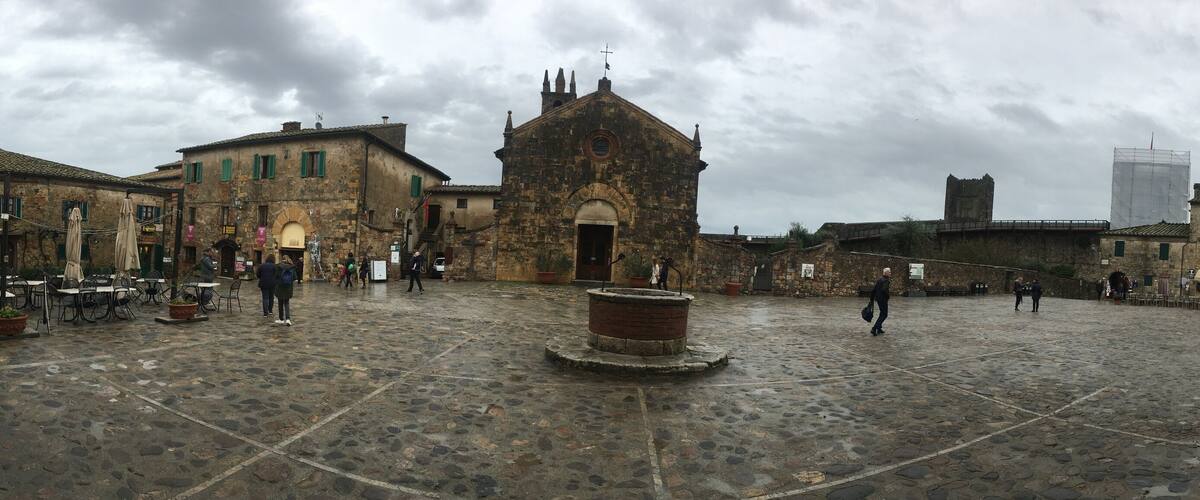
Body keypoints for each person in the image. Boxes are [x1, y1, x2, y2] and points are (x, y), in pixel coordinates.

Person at [869, 267, 891, 336]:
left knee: (882, 313)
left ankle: (879, 328)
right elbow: (884, 290)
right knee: (884, 314)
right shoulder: (886, 280)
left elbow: (874, 289)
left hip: (878, 299)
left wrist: (872, 298)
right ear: (886, 273)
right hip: (883, 300)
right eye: (889, 272)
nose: (890, 273)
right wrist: (888, 296)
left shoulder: (880, 279)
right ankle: (874, 328)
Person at [275, 256, 296, 326]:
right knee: (286, 303)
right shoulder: (292, 267)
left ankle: (281, 319)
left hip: (280, 287)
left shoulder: (278, 266)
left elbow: (276, 276)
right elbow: (295, 277)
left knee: (280, 303)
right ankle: (288, 319)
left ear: (282, 259)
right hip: (288, 288)